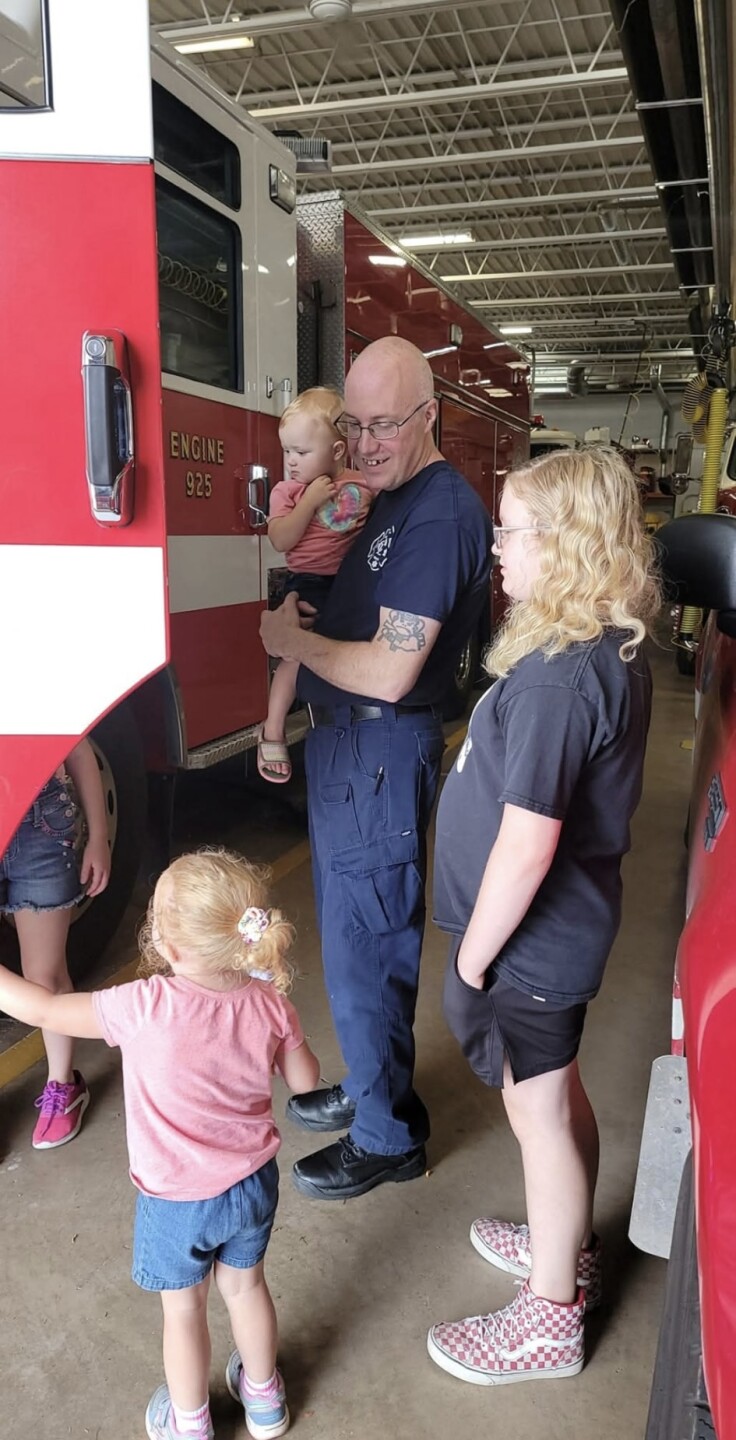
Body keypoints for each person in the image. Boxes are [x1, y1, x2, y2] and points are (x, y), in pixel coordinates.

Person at [426, 446, 659, 1386]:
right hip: (554, 942)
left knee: (539, 1118)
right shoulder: (597, 647)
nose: (497, 549)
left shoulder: (566, 676)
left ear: (562, 544)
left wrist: (475, 962)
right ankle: (569, 1247)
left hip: (528, 950)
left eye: (510, 531)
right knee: (556, 1099)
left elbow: (527, 847)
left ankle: (549, 1317)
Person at [260, 336, 493, 1201]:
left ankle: (387, 1136)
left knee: (367, 946)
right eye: (351, 425)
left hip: (380, 744)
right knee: (353, 936)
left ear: (430, 416)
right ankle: (372, 1090)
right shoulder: (390, 497)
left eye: (383, 425)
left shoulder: (438, 514)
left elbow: (394, 669)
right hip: (350, 746)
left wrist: (292, 642)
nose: (361, 444)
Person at [0, 848, 320, 1440]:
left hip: (175, 1201)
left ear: (168, 948)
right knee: (246, 1288)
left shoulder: (143, 1006)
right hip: (252, 1185)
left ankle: (191, 1421)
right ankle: (265, 1400)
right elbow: (304, 1083)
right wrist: (288, 1029)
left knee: (183, 1309)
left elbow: (43, 1005)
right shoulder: (271, 1003)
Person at [257, 386, 371, 783]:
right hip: (307, 582)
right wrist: (307, 503)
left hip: (351, 581)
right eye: (287, 451)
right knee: (294, 655)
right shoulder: (287, 492)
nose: (291, 462)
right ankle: (273, 729)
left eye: (302, 453)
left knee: (348, 651)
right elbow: (281, 539)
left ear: (338, 452)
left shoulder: (361, 484)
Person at [0, 738, 110, 1148]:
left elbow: (77, 747)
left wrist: (98, 836)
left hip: (39, 822)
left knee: (44, 975)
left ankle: (63, 1085)